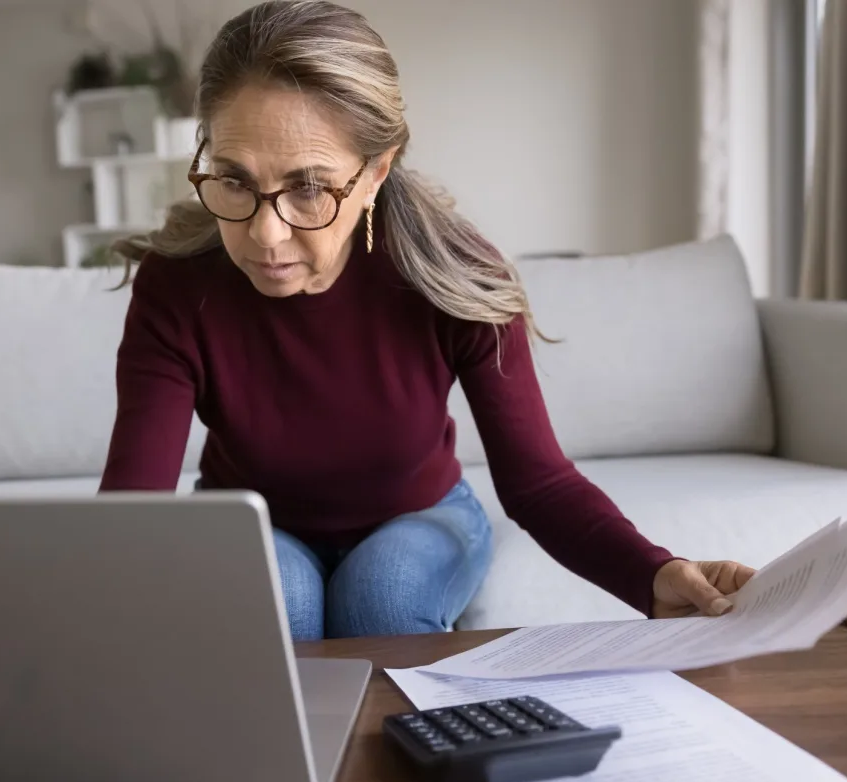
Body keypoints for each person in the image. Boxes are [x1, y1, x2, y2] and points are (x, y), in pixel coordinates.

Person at [98, 0, 755, 641]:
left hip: (423, 514)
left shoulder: (457, 276)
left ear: (376, 171)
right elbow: (135, 511)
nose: (266, 235)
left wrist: (653, 574)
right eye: (235, 181)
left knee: (380, 599)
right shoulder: (179, 286)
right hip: (250, 521)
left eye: (308, 188)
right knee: (283, 608)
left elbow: (539, 483)